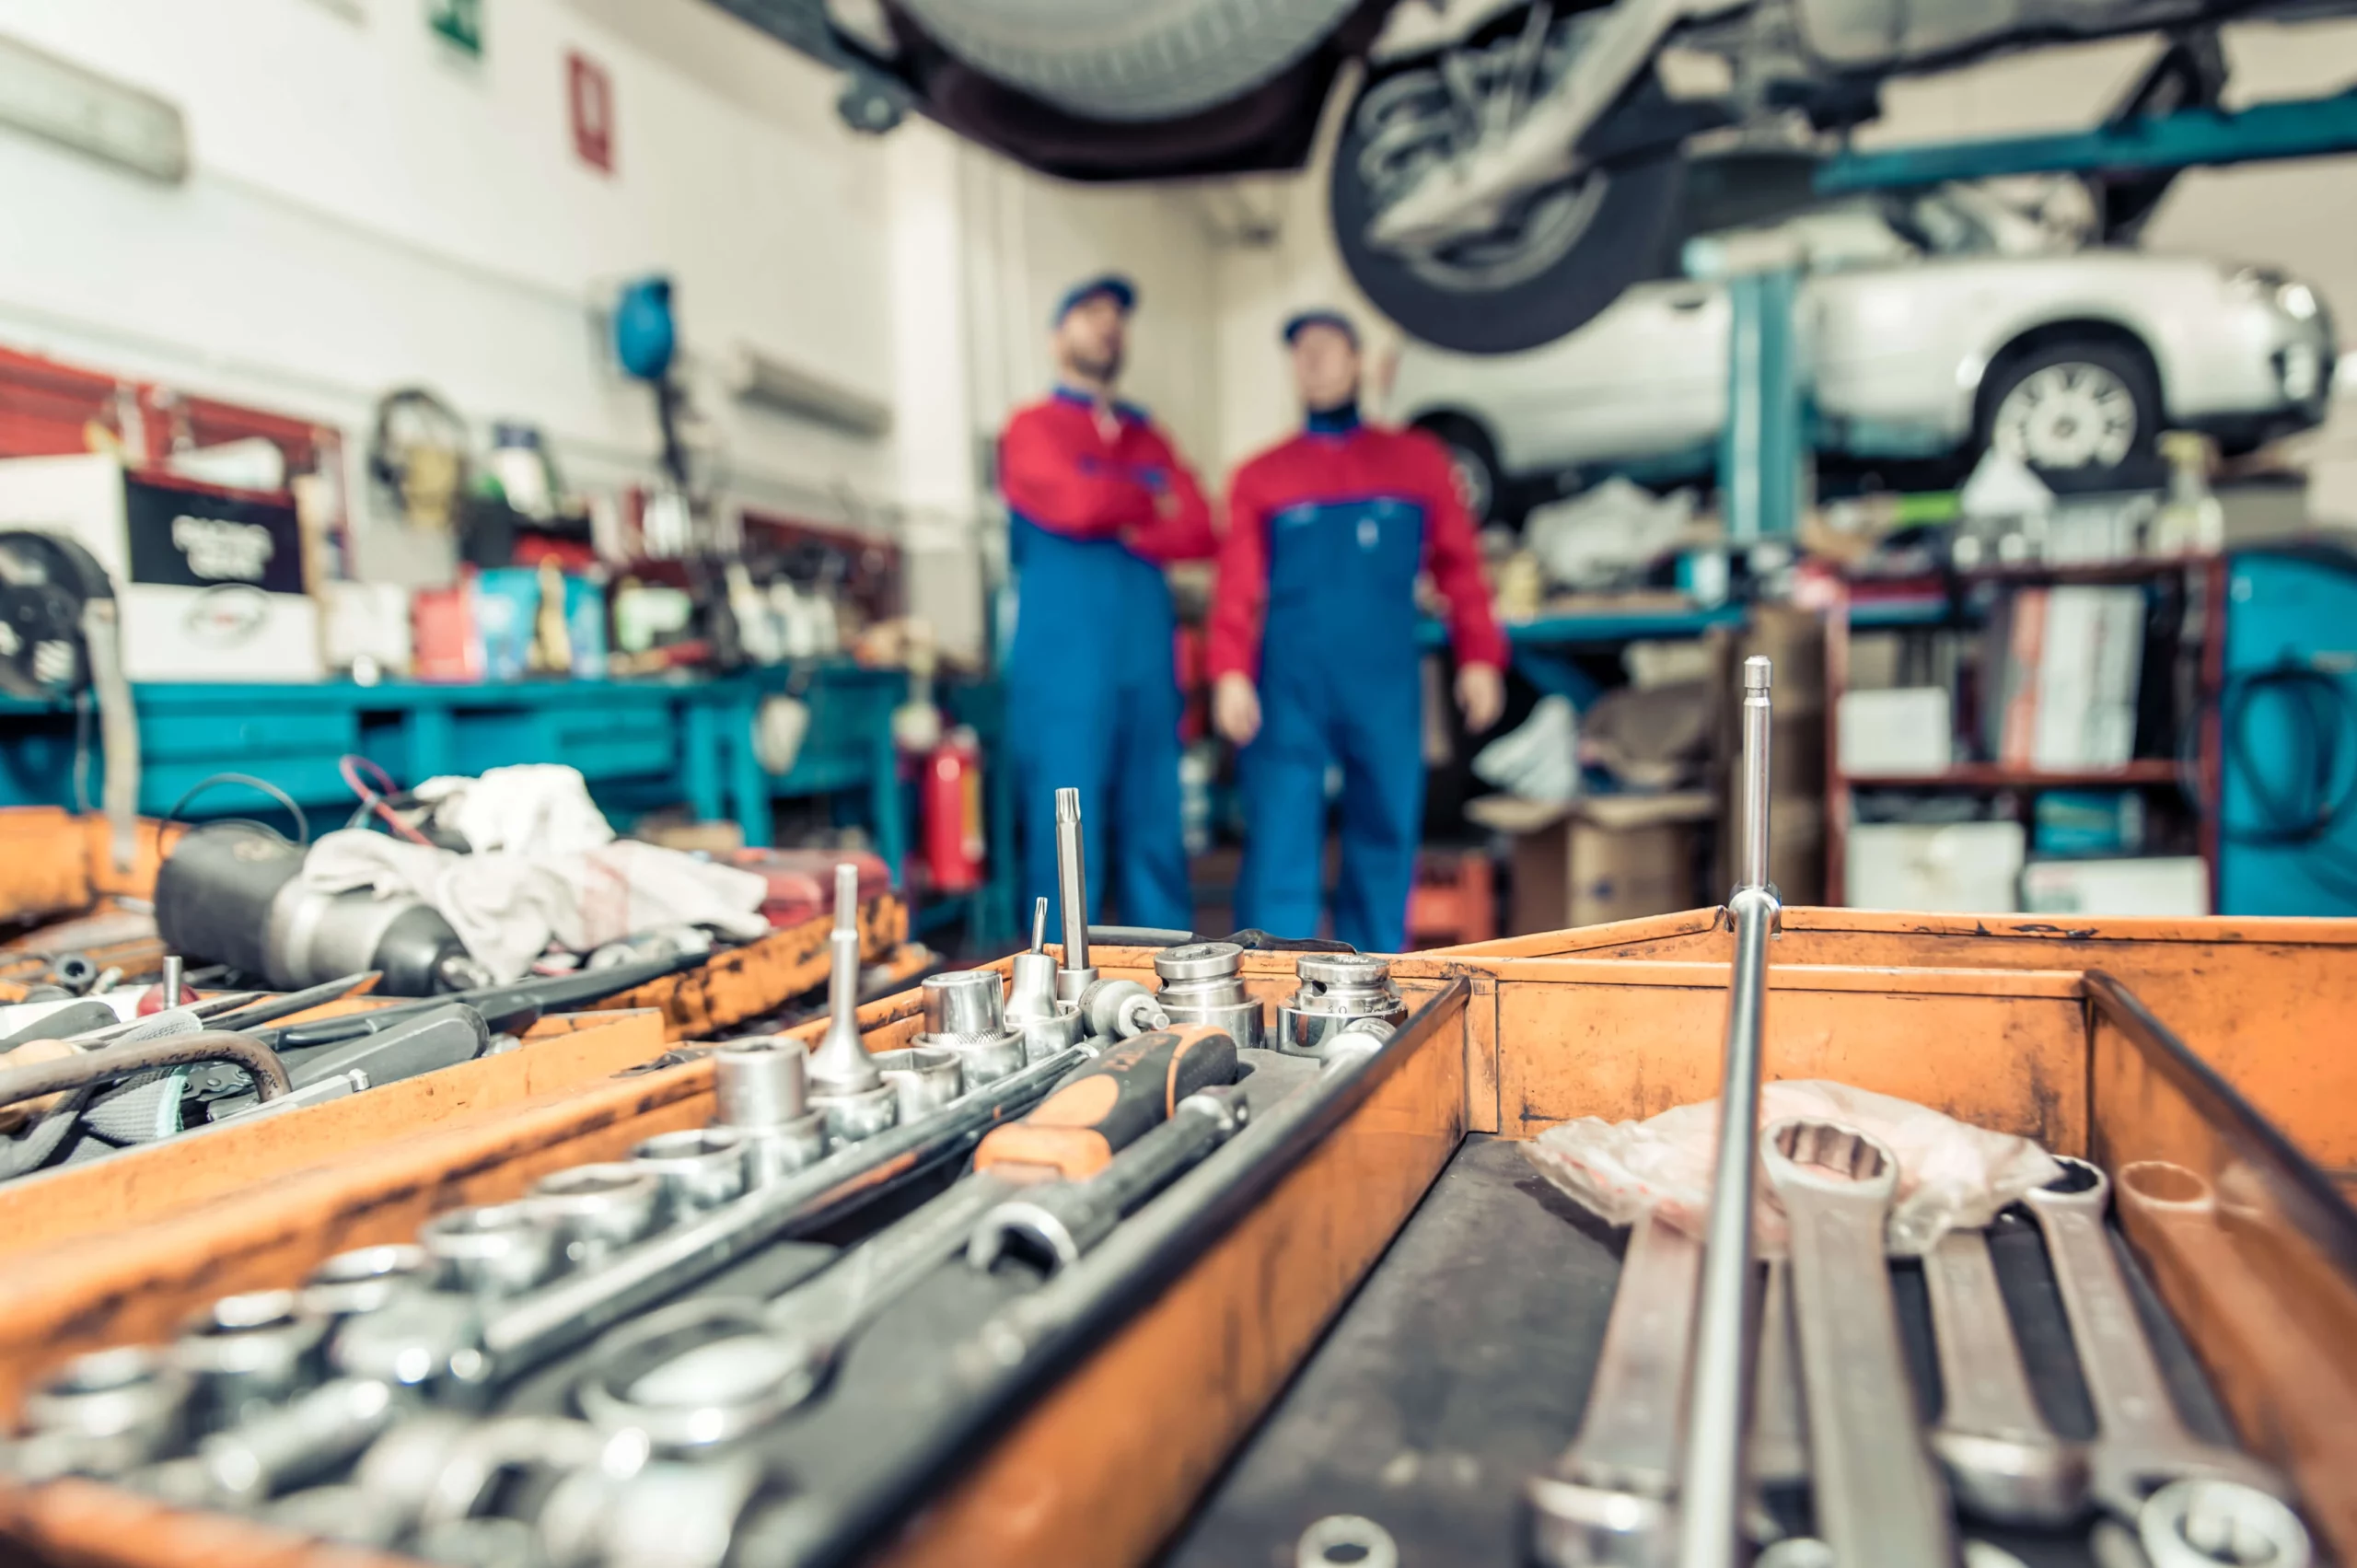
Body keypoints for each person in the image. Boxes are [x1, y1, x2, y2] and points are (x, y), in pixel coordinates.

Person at [1208, 308, 1505, 953]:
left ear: (1359, 361)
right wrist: (1230, 671)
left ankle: (1373, 982)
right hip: (1290, 687)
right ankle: (1272, 982)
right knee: (1281, 841)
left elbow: (1460, 564)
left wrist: (1480, 656)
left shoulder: (1417, 463)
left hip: (1383, 684)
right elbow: (1237, 584)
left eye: (1328, 347)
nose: (1314, 360)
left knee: (1384, 833)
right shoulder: (1261, 476)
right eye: (1301, 350)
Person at [998, 273, 1216, 939]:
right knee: (1065, 834)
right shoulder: (1030, 429)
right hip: (1065, 669)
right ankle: (1058, 990)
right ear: (1056, 334)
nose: (1107, 325)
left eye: (1116, 315)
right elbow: (1075, 503)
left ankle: (1176, 983)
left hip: (1145, 665)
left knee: (1157, 826)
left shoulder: (1149, 437)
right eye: (1090, 312)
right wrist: (1145, 501)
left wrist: (1113, 500)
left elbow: (1202, 526)